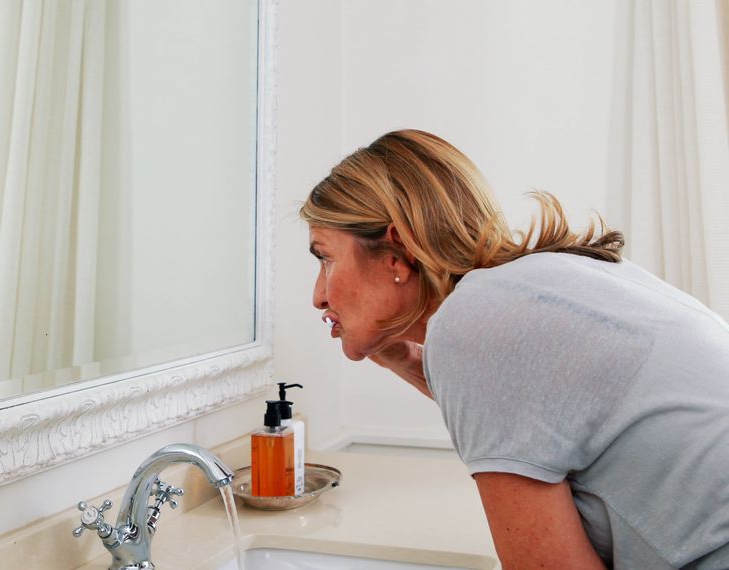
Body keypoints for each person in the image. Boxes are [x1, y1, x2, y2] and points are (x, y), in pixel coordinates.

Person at [301, 129, 729, 569]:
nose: (318, 295)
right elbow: (535, 411)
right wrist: (404, 356)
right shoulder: (543, 281)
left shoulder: (476, 321)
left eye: (325, 257)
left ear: (397, 251)